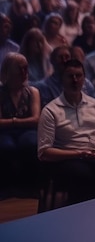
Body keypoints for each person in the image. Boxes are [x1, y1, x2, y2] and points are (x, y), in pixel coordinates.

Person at [37, 59, 95, 204]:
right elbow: (44, 152)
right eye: (70, 76)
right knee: (84, 176)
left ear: (84, 79)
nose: (75, 80)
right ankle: (85, 218)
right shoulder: (50, 110)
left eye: (79, 76)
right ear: (62, 79)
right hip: (69, 159)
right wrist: (79, 153)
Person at [0, 53, 41, 193]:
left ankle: (29, 186)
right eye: (19, 68)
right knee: (6, 146)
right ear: (9, 70)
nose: (24, 72)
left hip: (27, 131)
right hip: (5, 132)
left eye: (26, 68)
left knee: (30, 144)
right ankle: (7, 187)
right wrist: (21, 121)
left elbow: (36, 119)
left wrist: (12, 121)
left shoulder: (33, 91)